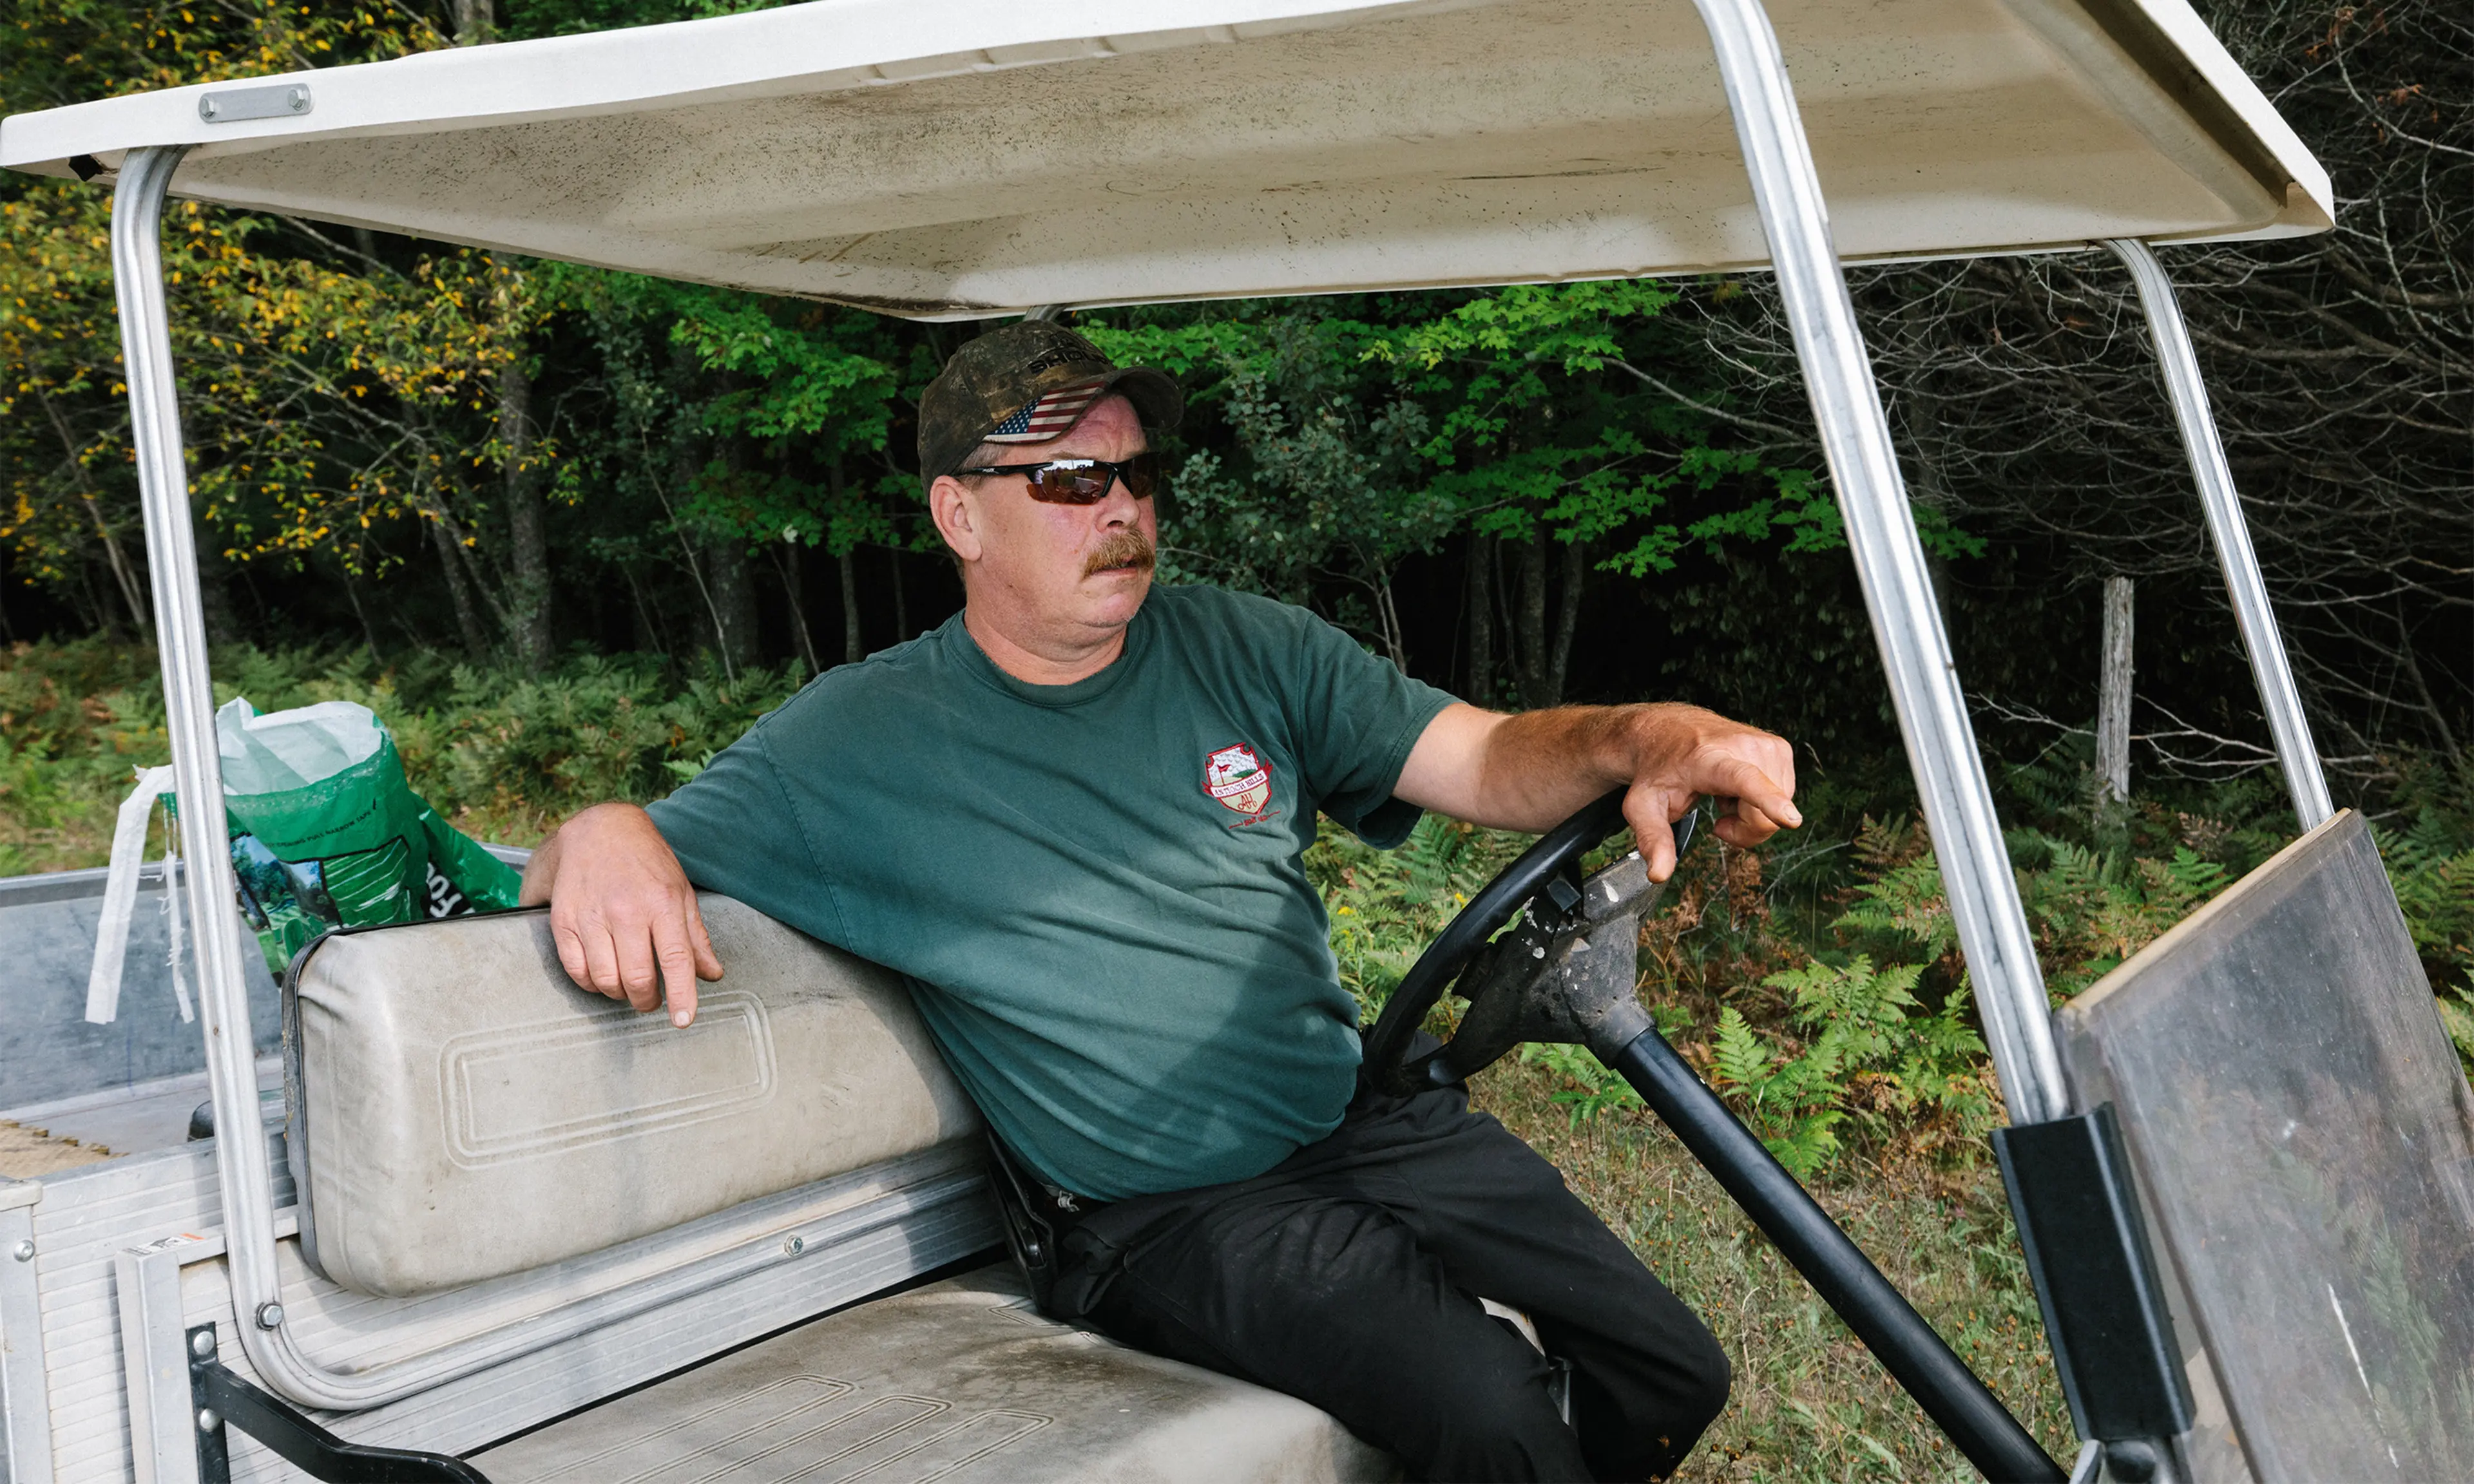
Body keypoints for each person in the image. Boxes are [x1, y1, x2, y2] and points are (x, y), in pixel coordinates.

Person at [521, 321, 1801, 1482]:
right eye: (1073, 481)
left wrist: (1651, 733)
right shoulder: (862, 739)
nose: (1121, 509)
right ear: (961, 518)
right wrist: (602, 831)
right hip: (1167, 1212)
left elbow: (1482, 756)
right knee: (1493, 1414)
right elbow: (588, 858)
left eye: (1135, 476)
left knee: (1671, 1370)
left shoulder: (1247, 648)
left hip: (1359, 1116)